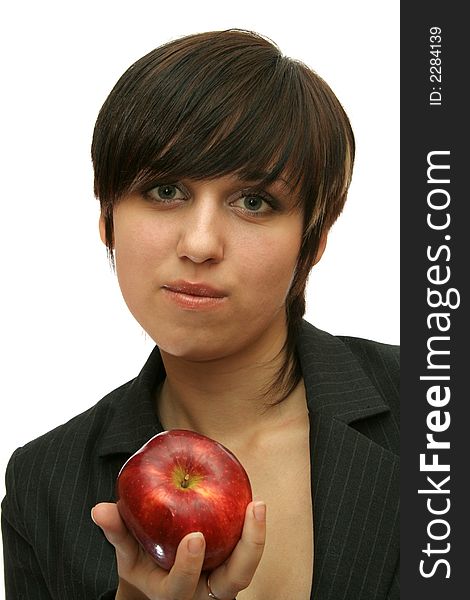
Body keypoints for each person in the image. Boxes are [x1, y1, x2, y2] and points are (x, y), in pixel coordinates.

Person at [1, 29, 399, 600]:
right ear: (108, 219)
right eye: (165, 190)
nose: (201, 243)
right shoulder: (44, 487)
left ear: (312, 240)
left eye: (254, 201)